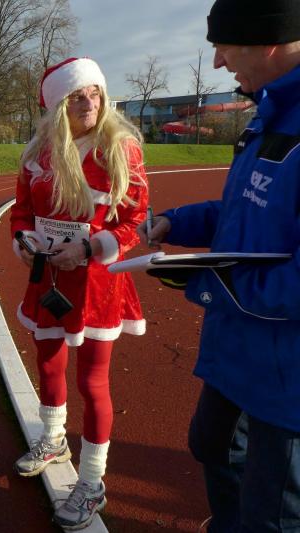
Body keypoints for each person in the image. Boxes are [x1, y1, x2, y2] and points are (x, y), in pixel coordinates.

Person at [141, 1, 300, 529]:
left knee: (272, 512)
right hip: (238, 349)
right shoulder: (270, 109)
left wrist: (210, 282)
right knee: (212, 446)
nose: (217, 62)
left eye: (223, 46)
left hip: (287, 377)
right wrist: (176, 223)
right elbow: (246, 208)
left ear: (267, 42)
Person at [10, 58, 148, 529]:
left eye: (94, 92)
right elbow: (21, 212)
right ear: (57, 106)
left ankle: (91, 480)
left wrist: (91, 247)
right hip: (48, 277)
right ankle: (53, 439)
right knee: (48, 363)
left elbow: (134, 219)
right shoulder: (38, 152)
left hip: (96, 284)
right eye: (76, 96)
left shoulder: (121, 148)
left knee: (93, 382)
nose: (88, 102)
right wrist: (24, 241)